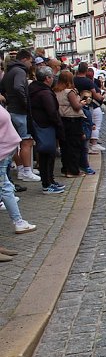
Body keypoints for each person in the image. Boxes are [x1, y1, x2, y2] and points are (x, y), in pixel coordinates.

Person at [0, 49, 39, 182]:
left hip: (11, 110)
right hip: (20, 111)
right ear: (24, 59)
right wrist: (24, 102)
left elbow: (2, 88)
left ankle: (22, 168)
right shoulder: (20, 71)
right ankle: (27, 171)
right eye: (30, 61)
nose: (31, 64)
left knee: (15, 143)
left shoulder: (9, 70)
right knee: (26, 141)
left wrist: (8, 99)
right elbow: (18, 87)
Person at [28, 67, 66, 194]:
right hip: (45, 126)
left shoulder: (35, 89)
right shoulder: (44, 93)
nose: (53, 79)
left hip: (40, 124)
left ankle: (50, 181)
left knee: (48, 155)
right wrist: (59, 126)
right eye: (51, 77)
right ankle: (47, 184)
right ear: (47, 78)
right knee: (47, 155)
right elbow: (52, 112)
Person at [0, 104, 36, 235]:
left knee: (5, 187)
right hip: (2, 153)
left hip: (4, 152)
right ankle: (18, 222)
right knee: (5, 187)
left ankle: (18, 221)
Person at [53, 70, 86, 176]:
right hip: (72, 120)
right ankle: (73, 170)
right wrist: (82, 103)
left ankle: (66, 168)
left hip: (62, 119)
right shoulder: (69, 92)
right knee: (74, 146)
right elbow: (76, 107)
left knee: (64, 146)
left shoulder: (56, 91)